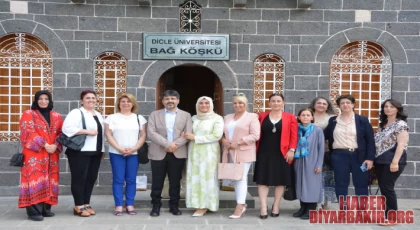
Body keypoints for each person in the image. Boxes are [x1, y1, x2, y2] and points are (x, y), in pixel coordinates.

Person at [19, 90, 63, 221]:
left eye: (46, 99)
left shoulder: (56, 116)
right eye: (40, 99)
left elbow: (61, 133)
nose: (43, 101)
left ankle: (45, 209)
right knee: (34, 179)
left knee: (50, 179)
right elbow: (27, 131)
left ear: (50, 101)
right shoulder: (29, 114)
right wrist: (44, 144)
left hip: (52, 154)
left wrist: (55, 145)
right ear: (36, 100)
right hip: (34, 153)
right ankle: (33, 211)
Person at [147, 90, 192, 217]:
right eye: (167, 99)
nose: (170, 101)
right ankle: (156, 206)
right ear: (162, 101)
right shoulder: (154, 114)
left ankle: (174, 206)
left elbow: (188, 133)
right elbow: (151, 132)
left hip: (177, 152)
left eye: (173, 98)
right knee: (157, 181)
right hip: (158, 152)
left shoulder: (186, 115)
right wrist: (168, 144)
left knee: (175, 181)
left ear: (178, 100)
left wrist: (174, 145)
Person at [253, 93, 298, 219]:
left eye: (278, 101)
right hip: (264, 152)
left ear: (283, 103)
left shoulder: (290, 117)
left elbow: (294, 135)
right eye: (273, 101)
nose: (276, 103)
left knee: (280, 180)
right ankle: (263, 206)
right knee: (262, 179)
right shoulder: (261, 116)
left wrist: (292, 150)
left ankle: (276, 205)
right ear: (269, 103)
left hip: (283, 153)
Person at [62, 90, 105, 217]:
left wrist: (101, 150)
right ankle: (78, 205)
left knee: (90, 178)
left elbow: (101, 134)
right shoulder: (76, 112)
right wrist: (86, 131)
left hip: (95, 151)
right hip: (79, 151)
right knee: (79, 178)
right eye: (87, 98)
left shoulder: (98, 114)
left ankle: (86, 203)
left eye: (93, 98)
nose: (91, 100)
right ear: (82, 100)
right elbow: (66, 128)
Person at [324, 94, 375, 200]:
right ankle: (344, 211)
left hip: (359, 156)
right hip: (339, 156)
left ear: (353, 105)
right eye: (342, 103)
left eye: (348, 102)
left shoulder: (362, 120)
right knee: (341, 184)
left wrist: (369, 158)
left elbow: (370, 141)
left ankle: (362, 212)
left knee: (361, 184)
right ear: (339, 106)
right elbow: (323, 136)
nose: (345, 105)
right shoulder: (333, 121)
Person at [104, 93, 147, 216]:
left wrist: (134, 148)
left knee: (131, 180)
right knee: (118, 179)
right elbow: (108, 134)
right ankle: (118, 205)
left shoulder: (139, 118)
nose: (126, 103)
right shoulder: (111, 118)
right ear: (119, 103)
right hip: (116, 153)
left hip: (134, 153)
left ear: (133, 104)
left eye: (128, 101)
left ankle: (129, 204)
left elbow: (143, 135)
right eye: (123, 101)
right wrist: (119, 148)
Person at [220, 93, 260, 219]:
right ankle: (240, 203)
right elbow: (222, 133)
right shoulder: (227, 117)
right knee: (235, 178)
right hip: (230, 151)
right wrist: (224, 141)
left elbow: (255, 135)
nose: (237, 105)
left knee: (241, 178)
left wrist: (238, 142)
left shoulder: (252, 117)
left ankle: (240, 205)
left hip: (244, 151)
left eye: (240, 103)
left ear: (246, 104)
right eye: (235, 103)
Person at [183, 96, 224, 217]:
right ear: (197, 105)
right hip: (194, 151)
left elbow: (217, 135)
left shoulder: (217, 118)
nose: (204, 105)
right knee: (195, 176)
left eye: (207, 103)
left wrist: (195, 138)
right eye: (201, 103)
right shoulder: (194, 118)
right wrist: (185, 135)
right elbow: (189, 133)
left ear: (211, 104)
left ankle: (206, 205)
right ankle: (196, 203)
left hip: (209, 152)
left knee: (208, 177)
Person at [374, 99, 409, 226]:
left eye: (392, 106)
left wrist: (395, 162)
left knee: (388, 188)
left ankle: (392, 217)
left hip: (393, 161)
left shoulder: (401, 124)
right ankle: (387, 215)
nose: (388, 109)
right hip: (380, 161)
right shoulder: (383, 124)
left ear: (398, 109)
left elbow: (401, 145)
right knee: (384, 188)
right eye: (386, 106)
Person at [293, 108, 324, 219]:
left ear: (312, 117)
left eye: (308, 115)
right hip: (299, 161)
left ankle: (311, 209)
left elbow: (321, 149)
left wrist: (319, 164)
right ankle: (303, 207)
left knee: (312, 186)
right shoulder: (296, 130)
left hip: (312, 161)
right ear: (299, 117)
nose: (305, 117)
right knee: (300, 184)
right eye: (303, 115)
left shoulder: (317, 130)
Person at [309, 97, 337, 209]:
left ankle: (324, 204)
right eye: (318, 103)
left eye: (324, 103)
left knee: (326, 178)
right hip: (308, 153)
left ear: (328, 106)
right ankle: (310, 203)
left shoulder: (332, 118)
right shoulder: (308, 115)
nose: (321, 105)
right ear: (314, 105)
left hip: (326, 152)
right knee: (310, 178)